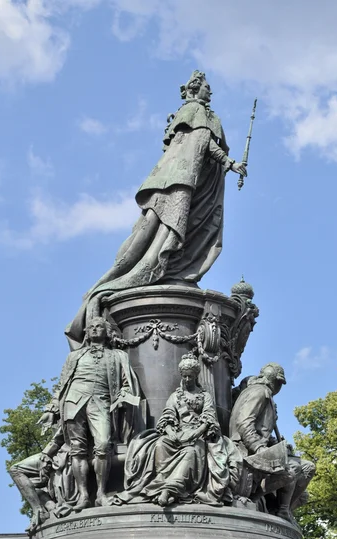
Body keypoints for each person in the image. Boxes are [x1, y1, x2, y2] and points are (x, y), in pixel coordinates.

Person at [66, 71, 247, 348]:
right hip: (181, 181)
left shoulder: (188, 116)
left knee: (178, 227)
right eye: (208, 88)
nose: (211, 92)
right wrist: (230, 163)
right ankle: (163, 265)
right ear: (195, 90)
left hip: (179, 180)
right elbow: (203, 144)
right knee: (175, 227)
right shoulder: (196, 112)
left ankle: (172, 269)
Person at [38, 317, 142, 510]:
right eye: (91, 327)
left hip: (101, 402)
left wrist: (124, 395)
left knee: (103, 444)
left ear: (107, 331)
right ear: (87, 332)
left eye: (99, 327)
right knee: (77, 449)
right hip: (73, 402)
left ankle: (101, 493)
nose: (95, 329)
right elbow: (62, 385)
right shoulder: (74, 356)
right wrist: (51, 409)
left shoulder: (118, 355)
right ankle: (84, 496)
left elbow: (126, 382)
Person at [113, 353, 242, 507]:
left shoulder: (204, 396)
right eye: (185, 376)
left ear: (196, 376)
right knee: (160, 444)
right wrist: (170, 432)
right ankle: (161, 483)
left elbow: (209, 417)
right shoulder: (175, 396)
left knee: (191, 452)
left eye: (190, 377)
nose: (187, 380)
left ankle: (169, 489)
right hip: (178, 433)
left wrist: (197, 432)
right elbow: (167, 416)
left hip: (198, 435)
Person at [230, 363, 315, 521]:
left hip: (258, 447)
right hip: (245, 450)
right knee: (293, 469)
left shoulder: (264, 394)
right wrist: (258, 447)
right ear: (275, 381)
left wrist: (277, 445)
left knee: (307, 467)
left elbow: (262, 431)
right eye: (279, 384)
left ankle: (283, 511)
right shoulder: (260, 392)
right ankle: (255, 496)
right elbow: (244, 422)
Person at [9, 427, 76, 535]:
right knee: (20, 475)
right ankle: (42, 508)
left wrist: (47, 454)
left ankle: (41, 509)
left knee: (17, 471)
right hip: (58, 448)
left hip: (66, 448)